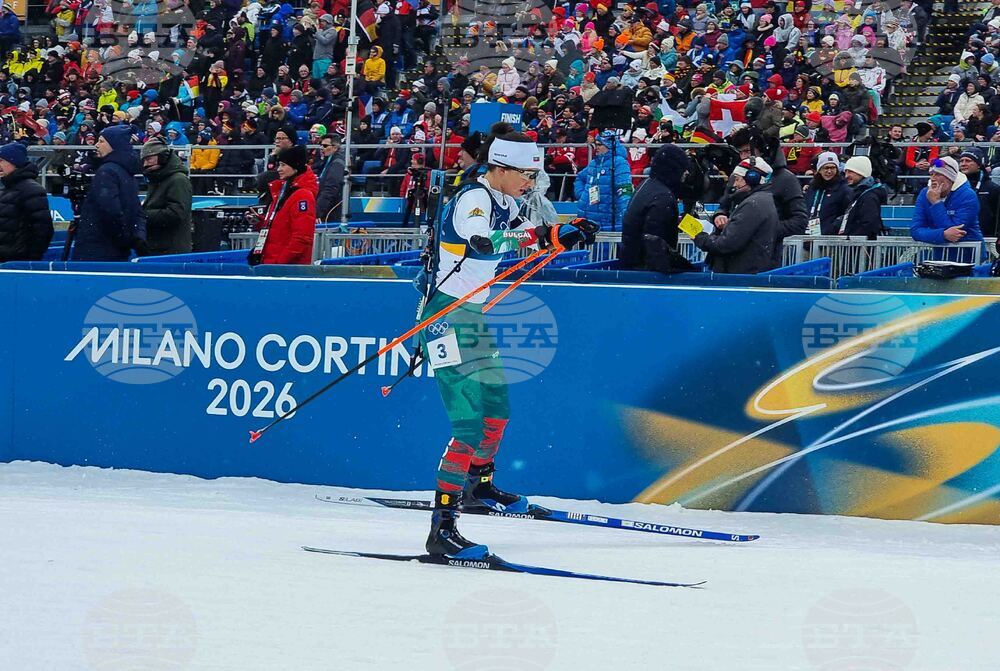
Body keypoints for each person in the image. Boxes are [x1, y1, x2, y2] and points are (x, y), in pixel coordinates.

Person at [418, 128, 597, 559]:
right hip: (445, 315)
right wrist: (544, 237)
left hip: (473, 314)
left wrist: (570, 228)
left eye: (534, 176)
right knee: (467, 425)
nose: (530, 183)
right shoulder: (473, 199)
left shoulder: (507, 202)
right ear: (499, 167)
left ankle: (478, 485)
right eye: (525, 174)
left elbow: (534, 230)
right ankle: (442, 528)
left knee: (497, 407)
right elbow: (483, 243)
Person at [73, 126, 147, 261]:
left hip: (98, 248)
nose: (96, 145)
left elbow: (110, 210)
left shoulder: (107, 172)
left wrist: (123, 237)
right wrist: (136, 237)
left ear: (114, 145)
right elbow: (137, 211)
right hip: (116, 249)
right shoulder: (127, 172)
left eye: (101, 141)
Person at [694, 158, 778, 274]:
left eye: (738, 179)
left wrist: (699, 237)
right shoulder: (760, 200)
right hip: (747, 270)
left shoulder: (753, 204)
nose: (735, 184)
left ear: (752, 178)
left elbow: (727, 244)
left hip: (741, 274)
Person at [620, 144, 690, 271]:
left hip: (632, 263)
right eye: (683, 168)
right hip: (646, 271)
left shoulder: (646, 185)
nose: (687, 172)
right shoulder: (663, 197)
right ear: (674, 169)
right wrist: (680, 268)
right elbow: (655, 244)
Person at [249, 145, 317, 265]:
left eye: (283, 165)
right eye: (279, 165)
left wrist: (279, 263)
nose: (279, 169)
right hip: (271, 263)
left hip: (287, 270)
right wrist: (260, 222)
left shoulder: (303, 196)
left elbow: (302, 238)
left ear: (295, 167)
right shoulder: (281, 191)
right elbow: (280, 227)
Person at [0, 142, 54, 262]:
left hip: (17, 261)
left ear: (15, 163)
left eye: (1, 160)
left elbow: (43, 229)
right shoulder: (6, 188)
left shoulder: (31, 190)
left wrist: (30, 259)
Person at [911, 157, 983, 245]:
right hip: (938, 255)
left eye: (938, 174)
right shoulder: (924, 194)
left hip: (969, 254)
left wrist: (936, 203)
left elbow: (956, 232)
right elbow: (915, 231)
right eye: (931, 174)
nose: (933, 179)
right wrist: (942, 235)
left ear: (950, 178)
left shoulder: (967, 195)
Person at [140, 138, 193, 256]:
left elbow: (176, 213)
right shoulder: (157, 179)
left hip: (171, 250)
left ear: (162, 156)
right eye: (144, 160)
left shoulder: (178, 180)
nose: (145, 164)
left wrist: (142, 215)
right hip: (158, 247)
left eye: (149, 159)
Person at [574, 130, 632, 230]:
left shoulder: (619, 163)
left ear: (609, 145)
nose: (596, 148)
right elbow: (580, 177)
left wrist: (625, 216)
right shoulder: (594, 163)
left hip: (607, 219)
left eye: (599, 145)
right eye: (595, 144)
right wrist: (582, 195)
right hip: (586, 219)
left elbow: (624, 190)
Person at [803, 152, 853, 235]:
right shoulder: (812, 188)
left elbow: (846, 215)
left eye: (832, 168)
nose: (829, 171)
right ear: (819, 169)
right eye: (826, 168)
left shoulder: (844, 190)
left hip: (830, 240)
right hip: (809, 236)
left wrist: (831, 230)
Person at [839, 156, 888, 239]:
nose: (846, 175)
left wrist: (851, 240)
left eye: (850, 172)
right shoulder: (858, 194)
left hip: (860, 247)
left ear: (862, 173)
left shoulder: (869, 197)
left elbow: (869, 225)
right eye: (845, 172)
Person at [958, 148, 1000, 238]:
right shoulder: (954, 187)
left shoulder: (993, 188)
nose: (963, 164)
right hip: (959, 239)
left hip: (987, 240)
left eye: (968, 160)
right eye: (961, 161)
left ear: (979, 164)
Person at [315, 134, 345, 223]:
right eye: (320, 145)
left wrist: (317, 212)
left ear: (335, 148)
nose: (321, 148)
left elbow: (331, 188)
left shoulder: (337, 163)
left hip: (331, 212)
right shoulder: (327, 161)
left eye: (325, 146)